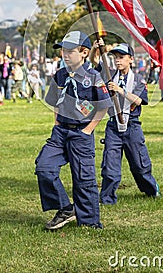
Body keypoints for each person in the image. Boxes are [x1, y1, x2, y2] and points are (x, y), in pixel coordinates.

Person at [35, 31, 112, 230]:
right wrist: (57, 123)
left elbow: (103, 106)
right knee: (44, 167)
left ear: (84, 53)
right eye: (63, 50)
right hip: (61, 131)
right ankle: (65, 207)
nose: (65, 55)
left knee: (83, 178)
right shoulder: (60, 75)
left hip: (81, 132)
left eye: (70, 51)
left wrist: (88, 130)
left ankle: (89, 222)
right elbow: (55, 102)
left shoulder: (93, 77)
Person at [90, 41, 161, 205]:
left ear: (131, 59)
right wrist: (96, 48)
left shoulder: (138, 79)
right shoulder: (109, 74)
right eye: (115, 57)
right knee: (110, 166)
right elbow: (95, 61)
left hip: (132, 126)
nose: (117, 61)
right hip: (114, 126)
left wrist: (120, 90)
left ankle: (151, 189)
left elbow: (139, 100)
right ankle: (107, 199)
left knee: (139, 165)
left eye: (121, 57)